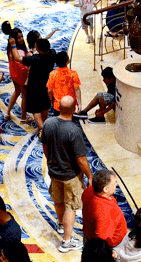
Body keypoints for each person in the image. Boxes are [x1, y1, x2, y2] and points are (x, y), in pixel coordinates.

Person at [40, 96, 93, 253]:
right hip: (71, 176)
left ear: (58, 107)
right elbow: (81, 160)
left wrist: (51, 162)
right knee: (71, 206)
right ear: (74, 108)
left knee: (58, 200)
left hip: (54, 171)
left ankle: (62, 226)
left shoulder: (48, 123)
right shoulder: (74, 131)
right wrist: (89, 175)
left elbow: (45, 146)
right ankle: (66, 242)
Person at [21, 29, 58, 130]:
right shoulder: (51, 52)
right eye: (38, 37)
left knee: (35, 108)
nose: (41, 37)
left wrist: (12, 46)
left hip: (35, 83)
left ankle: (42, 129)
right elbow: (29, 69)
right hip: (46, 82)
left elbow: (23, 63)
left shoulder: (33, 55)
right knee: (44, 105)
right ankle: (44, 125)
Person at [82, 169, 128, 248]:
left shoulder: (88, 191)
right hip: (110, 246)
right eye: (114, 183)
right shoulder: (106, 211)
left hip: (88, 235)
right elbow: (102, 239)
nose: (116, 184)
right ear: (105, 189)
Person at [1, 22, 29, 123]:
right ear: (14, 39)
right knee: (24, 96)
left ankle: (7, 112)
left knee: (16, 92)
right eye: (19, 38)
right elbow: (24, 63)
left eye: (22, 37)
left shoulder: (10, 48)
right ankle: (23, 118)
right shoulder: (19, 51)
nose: (21, 39)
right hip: (21, 75)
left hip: (13, 73)